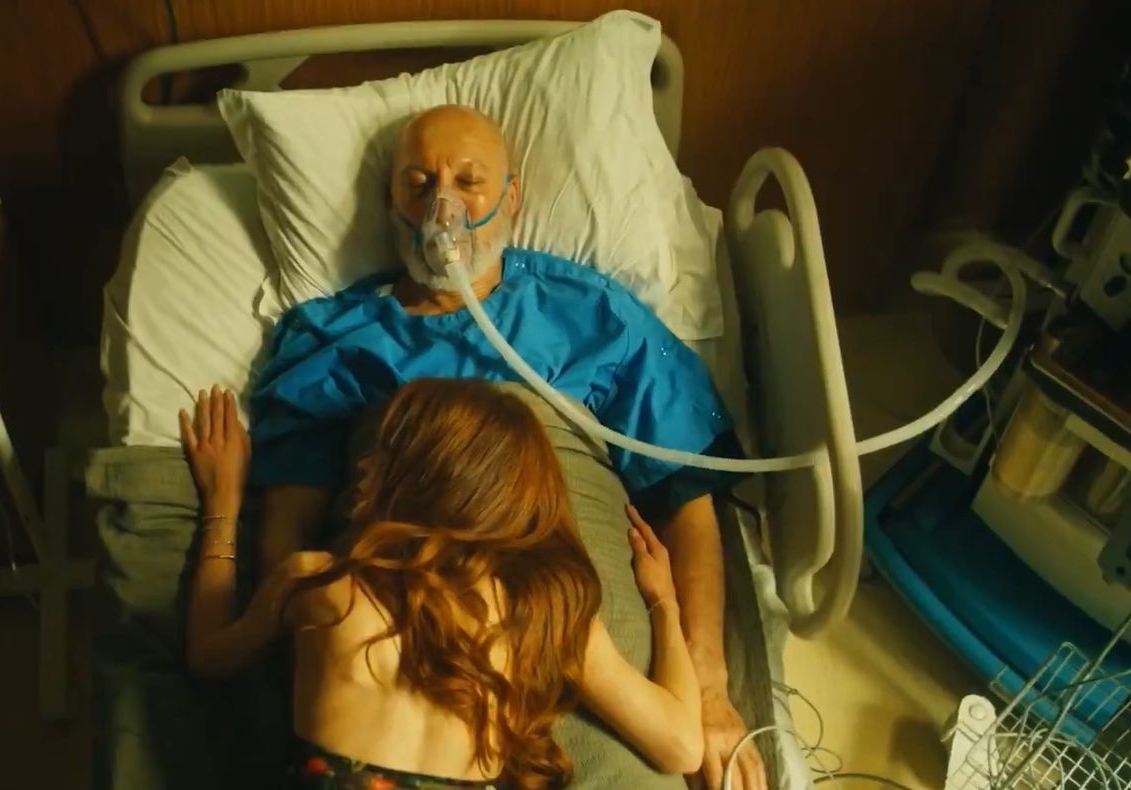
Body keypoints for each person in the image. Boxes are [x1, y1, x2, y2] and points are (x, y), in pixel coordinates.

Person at [247, 104, 766, 790]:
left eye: (469, 182)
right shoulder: (334, 339)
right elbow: (288, 527)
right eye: (418, 184)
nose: (443, 206)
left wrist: (708, 691)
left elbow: (685, 493)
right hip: (396, 635)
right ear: (390, 201)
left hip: (563, 609)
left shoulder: (592, 316)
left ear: (512, 198)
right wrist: (308, 670)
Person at [181, 380, 703, 789]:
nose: (363, 466)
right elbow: (681, 746)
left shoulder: (322, 582)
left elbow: (208, 654)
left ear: (427, 475)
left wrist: (223, 502)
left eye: (386, 451)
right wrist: (663, 603)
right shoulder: (540, 615)